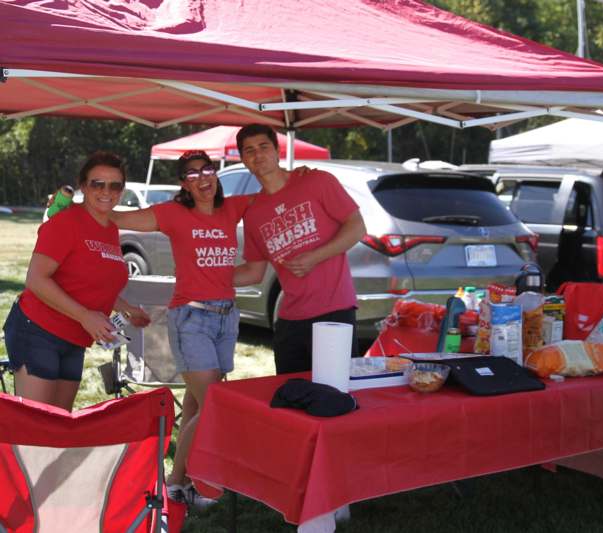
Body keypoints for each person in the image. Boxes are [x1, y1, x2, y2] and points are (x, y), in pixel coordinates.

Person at [111, 150, 252, 506]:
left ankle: (185, 475)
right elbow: (118, 217)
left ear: (216, 175)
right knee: (215, 405)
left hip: (226, 318)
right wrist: (78, 210)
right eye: (192, 174)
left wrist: (303, 177)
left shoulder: (232, 208)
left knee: (196, 405)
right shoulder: (173, 213)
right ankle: (176, 481)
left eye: (208, 170)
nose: (203, 178)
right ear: (183, 184)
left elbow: (275, 195)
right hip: (191, 319)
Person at [2, 152, 151, 411]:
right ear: (83, 186)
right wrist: (84, 315)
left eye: (115, 185)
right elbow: (36, 279)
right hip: (37, 330)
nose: (107, 191)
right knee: (36, 427)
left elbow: (92, 283)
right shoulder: (67, 221)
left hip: (75, 338)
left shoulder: (110, 228)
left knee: (58, 424)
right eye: (98, 184)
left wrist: (125, 308)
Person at [233, 124, 366, 374]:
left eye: (263, 147)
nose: (257, 155)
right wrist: (206, 278)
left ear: (277, 151)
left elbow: (357, 227)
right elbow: (253, 272)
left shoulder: (316, 181)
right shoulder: (254, 213)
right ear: (243, 160)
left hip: (333, 313)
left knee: (334, 397)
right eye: (249, 151)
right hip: (289, 320)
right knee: (291, 398)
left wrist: (315, 257)